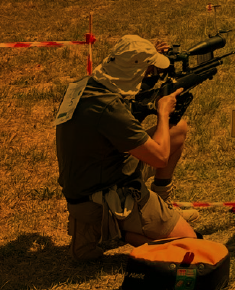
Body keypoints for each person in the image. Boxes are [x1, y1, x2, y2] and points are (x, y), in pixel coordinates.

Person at [56, 35, 199, 260]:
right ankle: (119, 228)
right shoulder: (109, 108)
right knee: (188, 244)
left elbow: (118, 127)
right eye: (146, 70)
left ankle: (95, 226)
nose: (147, 74)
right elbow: (160, 158)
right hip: (106, 195)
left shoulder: (83, 87)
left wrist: (146, 56)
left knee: (177, 130)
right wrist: (162, 112)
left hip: (82, 188)